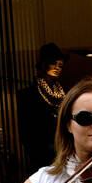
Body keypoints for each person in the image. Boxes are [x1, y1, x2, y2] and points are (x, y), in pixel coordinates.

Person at [16, 43, 68, 173]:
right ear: (43, 64)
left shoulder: (65, 94)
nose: (57, 68)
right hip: (40, 157)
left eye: (60, 65)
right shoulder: (28, 95)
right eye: (53, 63)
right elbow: (25, 130)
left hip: (64, 153)